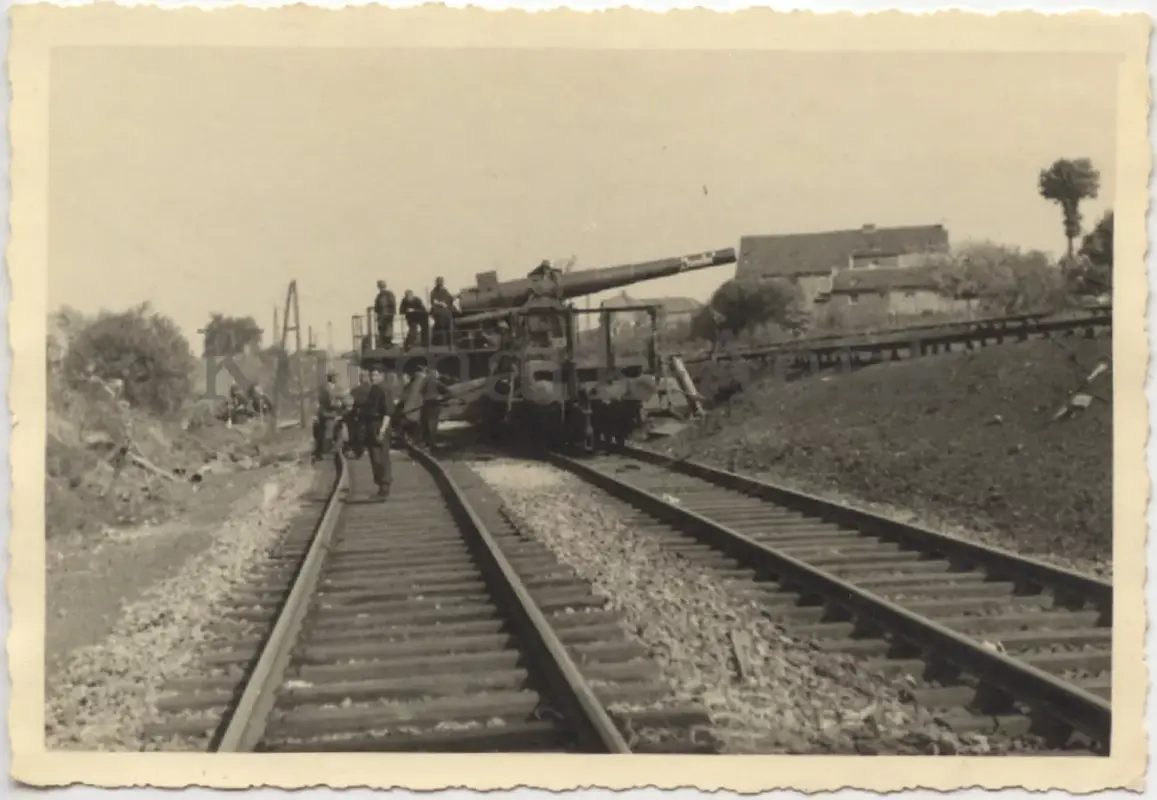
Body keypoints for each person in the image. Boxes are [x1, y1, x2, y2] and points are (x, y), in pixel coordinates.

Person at [362, 364, 396, 501]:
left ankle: (384, 486)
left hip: (380, 425)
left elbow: (387, 412)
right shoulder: (373, 389)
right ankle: (381, 486)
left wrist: (382, 430)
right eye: (371, 375)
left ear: (382, 375)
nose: (373, 378)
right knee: (375, 457)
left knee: (381, 457)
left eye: (375, 375)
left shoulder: (383, 390)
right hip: (371, 425)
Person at [418, 367, 452, 449]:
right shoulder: (427, 384)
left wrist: (442, 398)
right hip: (428, 404)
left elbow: (449, 393)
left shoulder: (435, 383)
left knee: (430, 424)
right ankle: (428, 442)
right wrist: (442, 398)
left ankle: (430, 443)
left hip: (433, 404)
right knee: (426, 423)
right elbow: (449, 393)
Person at [313, 372, 339, 461]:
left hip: (323, 413)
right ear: (332, 378)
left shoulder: (324, 387)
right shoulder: (328, 389)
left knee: (323, 432)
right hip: (327, 414)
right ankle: (325, 452)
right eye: (335, 377)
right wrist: (338, 405)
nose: (337, 379)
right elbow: (330, 402)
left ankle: (321, 451)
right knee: (328, 433)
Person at [429, 277, 456, 347]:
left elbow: (449, 298)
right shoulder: (434, 292)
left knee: (449, 324)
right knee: (442, 324)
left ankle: (450, 342)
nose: (440, 284)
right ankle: (440, 342)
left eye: (441, 282)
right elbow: (433, 301)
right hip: (438, 311)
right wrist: (441, 303)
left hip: (446, 311)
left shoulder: (445, 291)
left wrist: (455, 297)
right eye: (439, 282)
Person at [374, 281, 397, 348]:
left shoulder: (388, 294)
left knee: (387, 328)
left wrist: (392, 313)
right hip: (382, 315)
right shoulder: (380, 295)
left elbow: (392, 304)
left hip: (387, 315)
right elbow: (377, 306)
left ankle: (387, 343)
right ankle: (384, 343)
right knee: (382, 328)